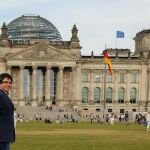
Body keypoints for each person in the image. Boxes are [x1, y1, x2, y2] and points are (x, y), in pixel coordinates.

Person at [0, 73, 15, 150]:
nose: (8, 84)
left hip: (4, 136)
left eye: (10, 82)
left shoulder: (4, 95)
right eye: (5, 82)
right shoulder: (1, 95)